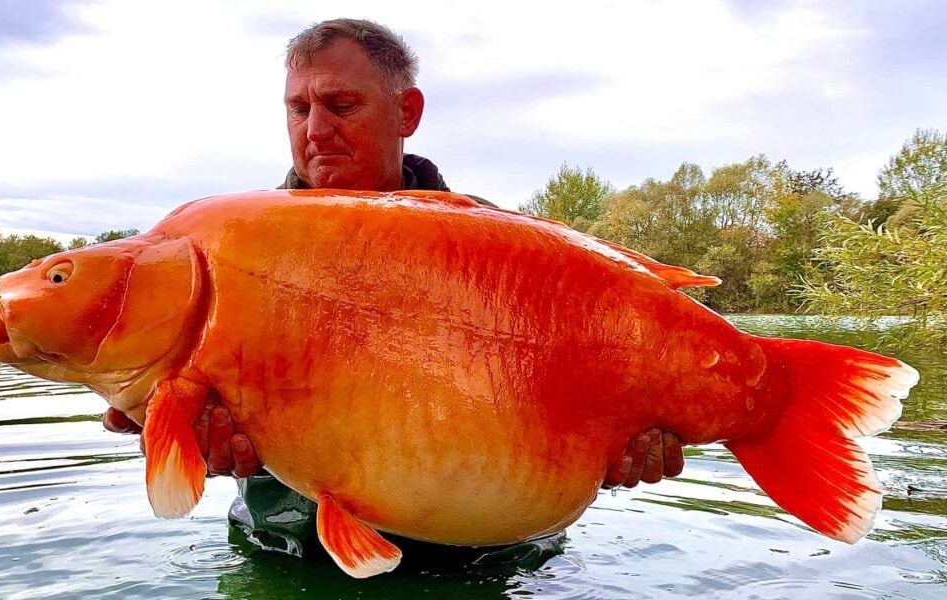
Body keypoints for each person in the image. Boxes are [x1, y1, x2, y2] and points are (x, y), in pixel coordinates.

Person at [103, 17, 685, 563]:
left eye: (341, 105)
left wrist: (621, 447)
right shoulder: (225, 253)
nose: (316, 130)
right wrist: (176, 426)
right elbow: (173, 417)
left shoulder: (508, 253)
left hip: (483, 561)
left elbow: (575, 406)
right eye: (298, 108)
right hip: (284, 550)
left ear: (406, 112)